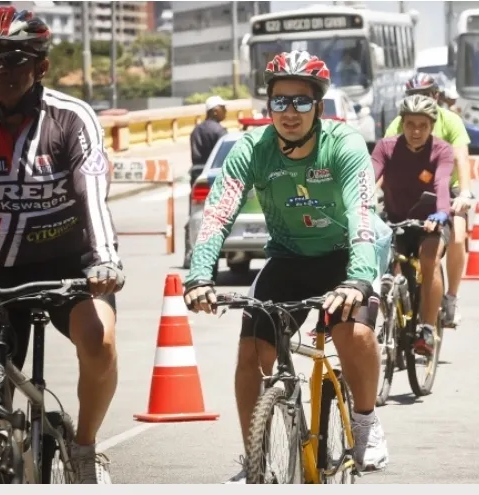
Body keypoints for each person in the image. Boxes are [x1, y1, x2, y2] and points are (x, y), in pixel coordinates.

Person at [183, 50, 391, 481]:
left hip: (347, 255)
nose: (290, 112)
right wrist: (200, 273)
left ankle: (368, 425)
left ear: (318, 105)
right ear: (268, 106)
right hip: (289, 258)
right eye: (280, 101)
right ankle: (254, 459)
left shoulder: (344, 143)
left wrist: (358, 278)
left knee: (352, 333)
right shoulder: (252, 150)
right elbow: (219, 212)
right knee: (250, 356)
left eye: (301, 101)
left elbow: (360, 213)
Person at [0, 6, 125, 484]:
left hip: (73, 263)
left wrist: (105, 259)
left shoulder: (71, 118)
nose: (1, 71)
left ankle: (85, 445)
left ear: (41, 66)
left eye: (15, 59)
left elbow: (93, 191)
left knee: (100, 342)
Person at [383, 72, 473, 328]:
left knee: (456, 236)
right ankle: (394, 314)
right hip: (409, 194)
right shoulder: (398, 123)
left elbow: (461, 159)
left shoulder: (451, 121)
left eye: (423, 95)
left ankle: (451, 298)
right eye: (412, 96)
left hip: (448, 190)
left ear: (436, 96)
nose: (418, 100)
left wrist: (465, 192)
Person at [372, 95, 453, 355]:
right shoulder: (385, 147)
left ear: (431, 126)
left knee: (429, 259)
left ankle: (428, 328)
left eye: (422, 125)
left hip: (431, 222)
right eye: (410, 124)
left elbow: (441, 183)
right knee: (381, 264)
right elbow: (367, 178)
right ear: (401, 124)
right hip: (395, 219)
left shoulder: (441, 150)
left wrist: (441, 212)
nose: (416, 131)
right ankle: (390, 321)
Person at [184, 95, 228, 268]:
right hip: (213, 176)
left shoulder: (196, 130)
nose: (225, 112)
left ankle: (189, 253)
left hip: (197, 175)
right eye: (223, 109)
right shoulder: (219, 132)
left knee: (195, 214)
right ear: (215, 111)